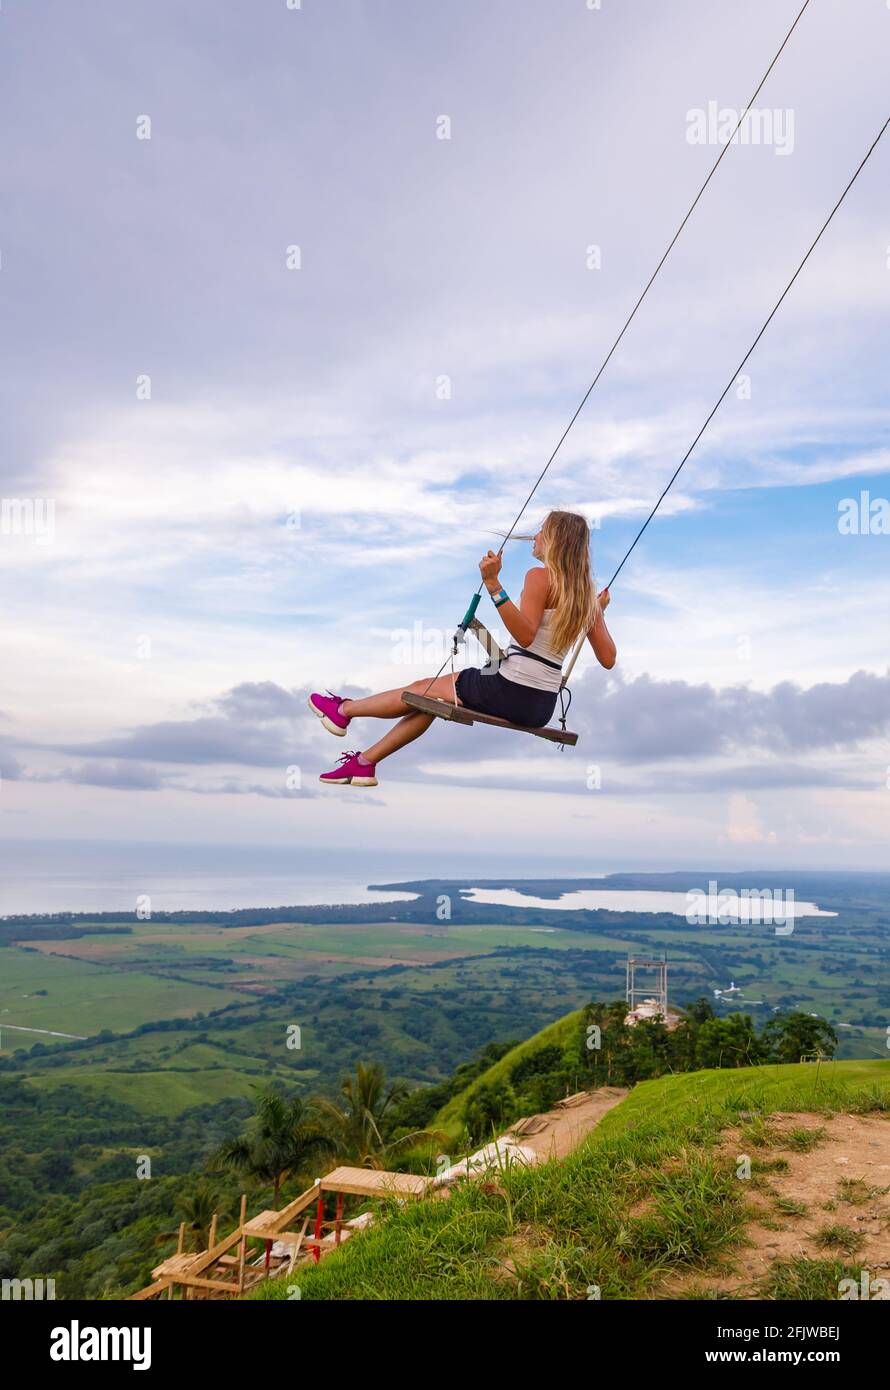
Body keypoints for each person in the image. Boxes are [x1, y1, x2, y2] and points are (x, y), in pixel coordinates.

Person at [308, 510, 616, 786]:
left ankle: (343, 710)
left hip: (509, 689)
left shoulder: (539, 576)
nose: (535, 537)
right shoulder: (586, 598)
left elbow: (525, 635)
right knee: (429, 700)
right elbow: (608, 658)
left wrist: (494, 585)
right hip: (540, 707)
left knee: (420, 689)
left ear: (555, 540)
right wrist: (597, 612)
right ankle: (364, 763)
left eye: (541, 532)